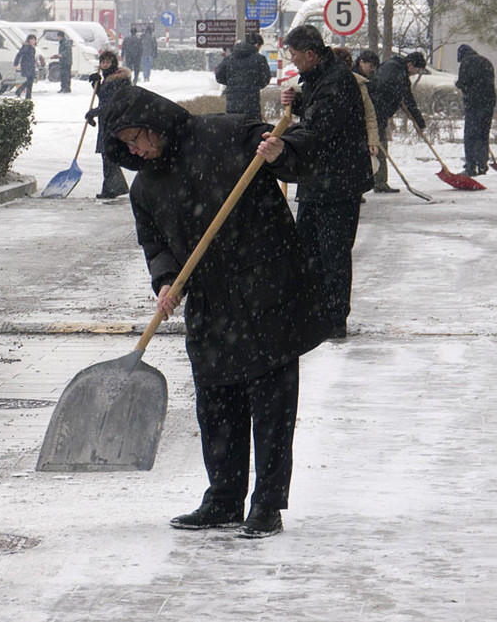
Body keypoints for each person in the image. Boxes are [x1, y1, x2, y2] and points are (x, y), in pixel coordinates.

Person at [100, 85, 331, 538]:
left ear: (155, 122)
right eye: (126, 144)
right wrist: (166, 280)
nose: (136, 149)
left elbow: (305, 152)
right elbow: (155, 243)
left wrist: (280, 150)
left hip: (267, 289)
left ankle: (266, 504)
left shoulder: (227, 132)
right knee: (216, 404)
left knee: (271, 406)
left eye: (138, 137)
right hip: (210, 301)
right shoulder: (145, 187)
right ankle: (224, 498)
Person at [276, 25, 375, 340]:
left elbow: (320, 129)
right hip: (318, 181)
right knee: (308, 252)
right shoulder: (322, 77)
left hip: (338, 184)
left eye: (294, 56)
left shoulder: (338, 81)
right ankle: (314, 314)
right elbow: (317, 114)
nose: (292, 63)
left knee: (332, 254)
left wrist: (280, 142)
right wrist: (300, 102)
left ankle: (334, 320)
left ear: (309, 54)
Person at [367, 51, 427, 193]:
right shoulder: (400, 74)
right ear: (410, 65)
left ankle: (373, 181)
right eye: (416, 69)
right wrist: (419, 121)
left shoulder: (390, 65)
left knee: (374, 146)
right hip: (376, 113)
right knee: (379, 147)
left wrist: (396, 97)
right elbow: (408, 99)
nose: (415, 73)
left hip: (371, 110)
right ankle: (379, 182)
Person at [84, 50, 132, 199]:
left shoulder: (118, 79)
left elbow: (112, 103)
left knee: (109, 154)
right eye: (102, 62)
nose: (104, 65)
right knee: (108, 155)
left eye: (107, 62)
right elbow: (104, 97)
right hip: (107, 120)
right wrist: (95, 84)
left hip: (115, 120)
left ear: (113, 63)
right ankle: (114, 187)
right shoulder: (108, 78)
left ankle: (111, 189)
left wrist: (94, 112)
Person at [333, 47, 382, 185]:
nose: (371, 70)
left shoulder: (360, 83)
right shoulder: (322, 84)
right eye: (370, 66)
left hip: (353, 139)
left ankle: (354, 191)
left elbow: (369, 114)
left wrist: (372, 140)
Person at [455, 44, 496, 176]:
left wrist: (458, 84)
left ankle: (471, 166)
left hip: (474, 103)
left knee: (470, 135)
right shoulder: (486, 61)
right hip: (489, 102)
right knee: (483, 133)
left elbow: (463, 82)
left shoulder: (466, 62)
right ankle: (482, 165)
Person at [214, 32, 272, 120]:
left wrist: (232, 83)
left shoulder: (229, 59)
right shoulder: (260, 59)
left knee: (234, 131)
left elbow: (219, 76)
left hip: (232, 107)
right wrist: (254, 85)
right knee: (252, 131)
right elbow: (265, 79)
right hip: (252, 107)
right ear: (257, 45)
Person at [14, 34, 38, 100]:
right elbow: (19, 55)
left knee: (30, 80)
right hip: (26, 65)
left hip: (31, 65)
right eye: (31, 39)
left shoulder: (31, 47)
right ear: (28, 40)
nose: (33, 41)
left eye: (34, 39)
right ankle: (21, 92)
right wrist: (15, 64)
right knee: (30, 81)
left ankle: (26, 95)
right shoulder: (26, 47)